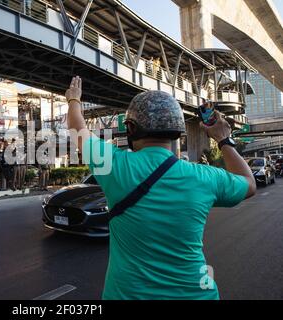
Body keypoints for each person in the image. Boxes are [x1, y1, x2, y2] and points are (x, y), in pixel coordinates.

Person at [66, 76, 256, 300]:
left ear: (131, 129)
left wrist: (74, 100)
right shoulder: (204, 177)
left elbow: (78, 129)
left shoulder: (114, 167)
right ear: (177, 131)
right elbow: (249, 183)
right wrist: (223, 139)